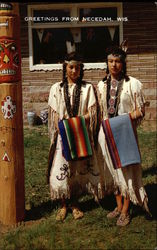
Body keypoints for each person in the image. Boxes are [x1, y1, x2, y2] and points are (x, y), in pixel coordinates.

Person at [47, 52, 104, 221]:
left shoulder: (87, 89)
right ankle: (63, 205)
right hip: (63, 135)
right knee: (63, 167)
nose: (73, 71)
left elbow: (92, 112)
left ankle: (75, 203)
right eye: (70, 67)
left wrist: (78, 121)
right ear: (65, 68)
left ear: (81, 69)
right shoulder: (56, 88)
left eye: (77, 67)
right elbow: (54, 114)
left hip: (80, 134)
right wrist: (63, 125)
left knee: (78, 169)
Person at [96, 45, 149, 226]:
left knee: (126, 171)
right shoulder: (101, 85)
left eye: (118, 61)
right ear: (107, 63)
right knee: (112, 171)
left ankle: (126, 210)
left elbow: (140, 110)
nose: (114, 65)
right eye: (111, 61)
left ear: (123, 63)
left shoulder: (133, 84)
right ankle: (118, 205)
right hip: (106, 134)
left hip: (125, 133)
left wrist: (123, 120)